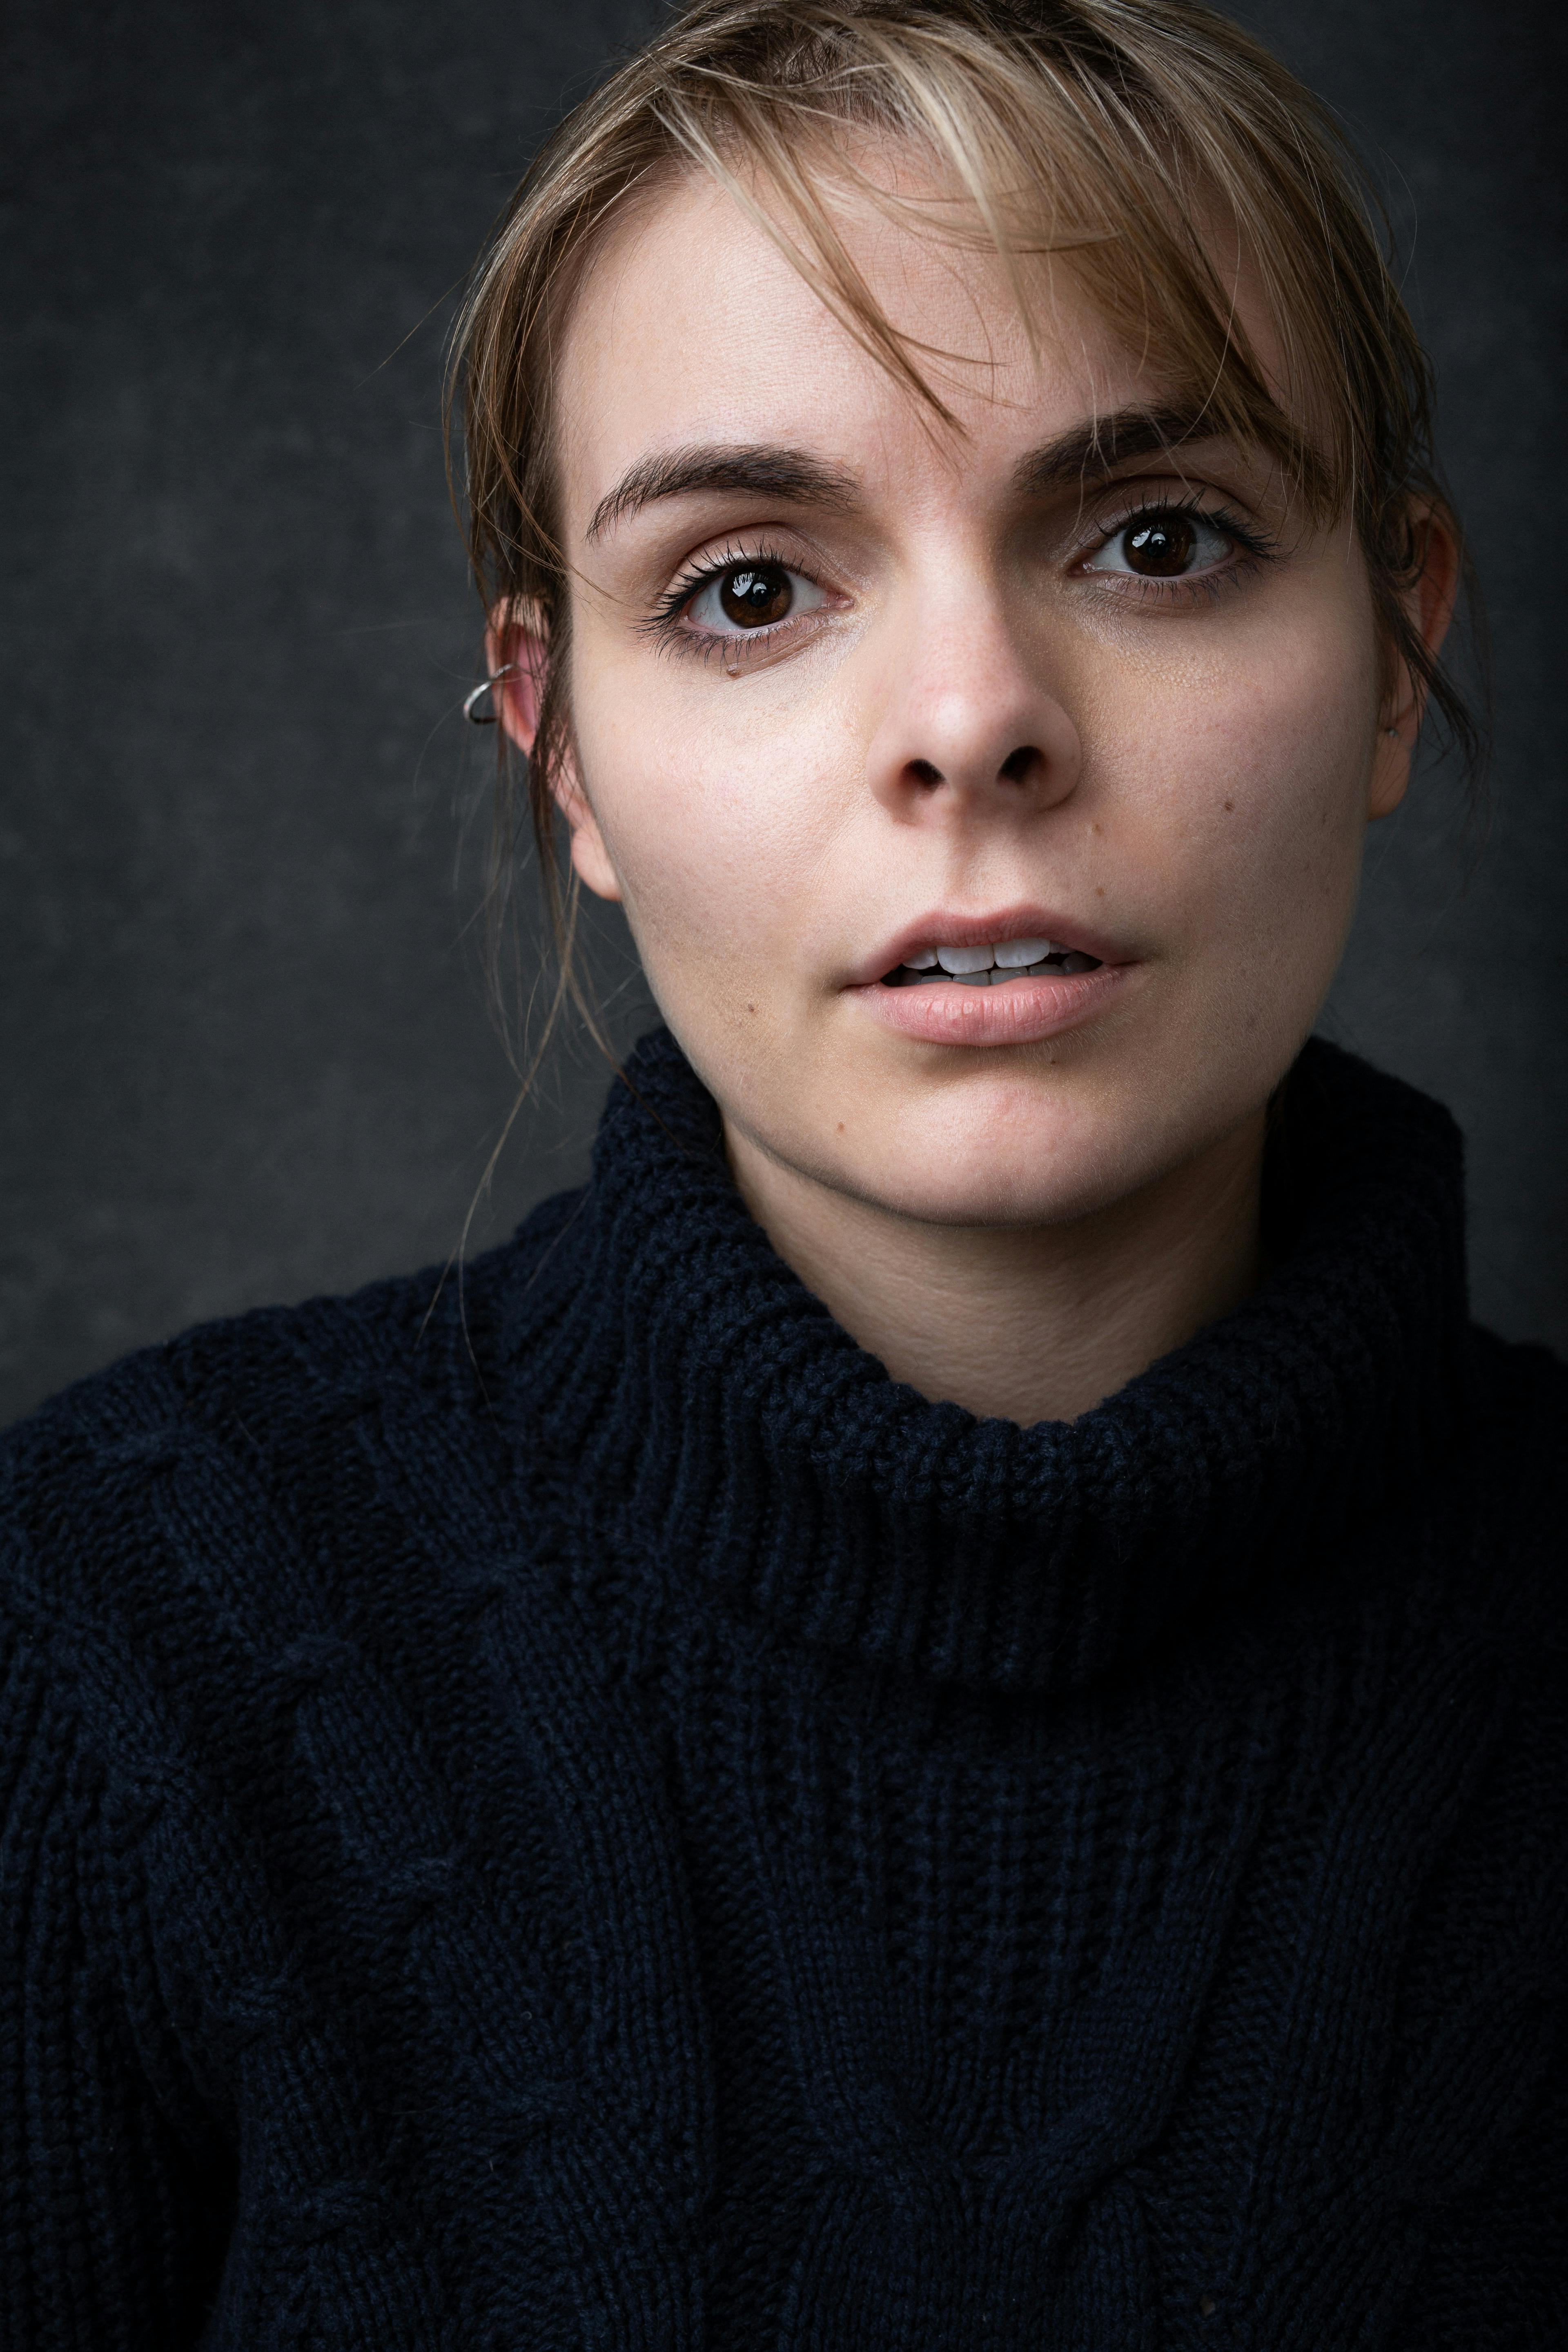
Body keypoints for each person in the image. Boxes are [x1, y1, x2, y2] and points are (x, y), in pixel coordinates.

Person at [2, 0, 1563, 2342]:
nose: (972, 718)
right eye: (749, 586)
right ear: (569, 760)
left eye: (1159, 537)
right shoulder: (98, 1657)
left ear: (1388, 647)